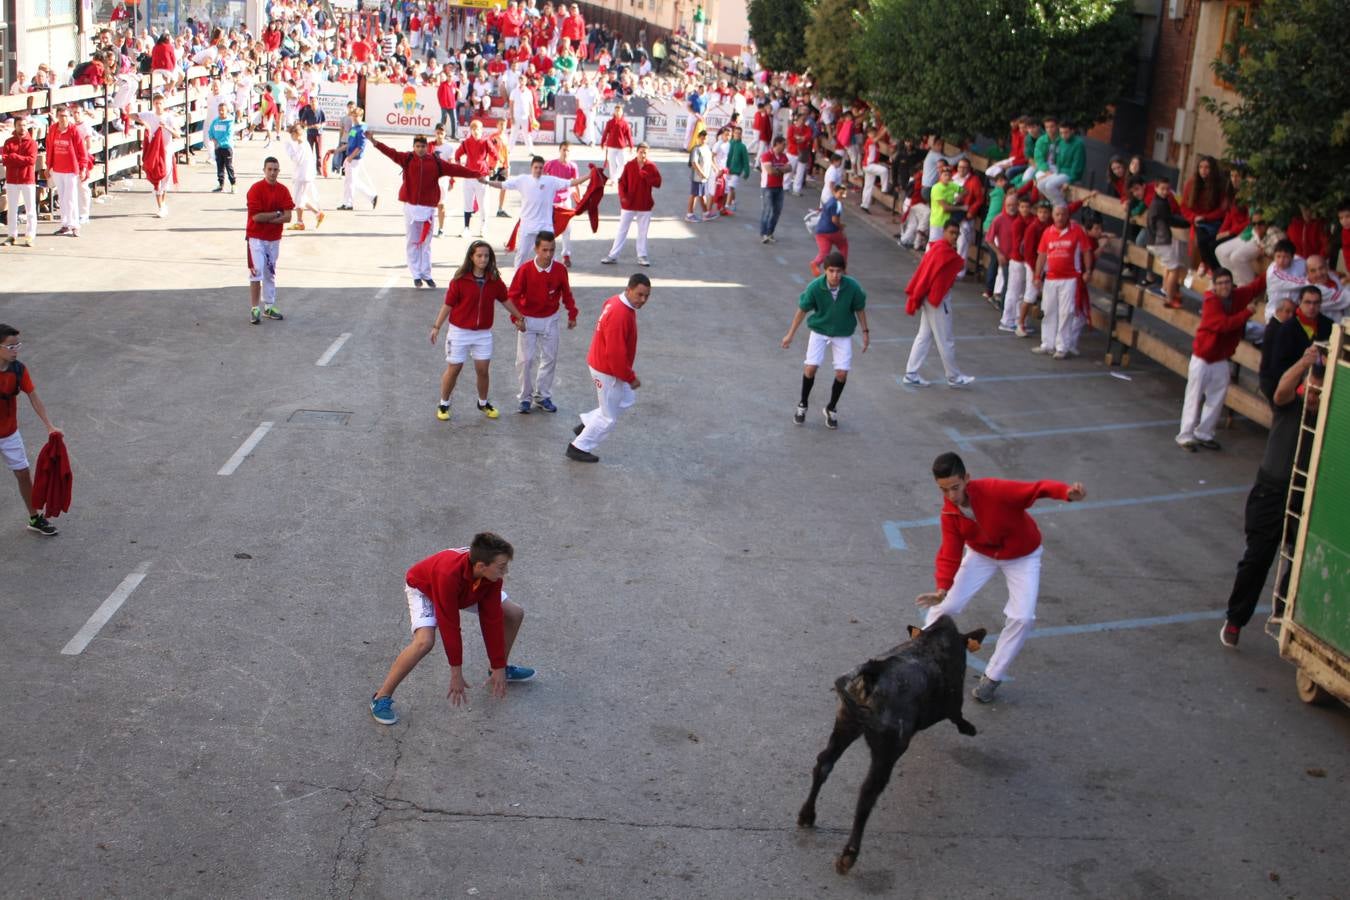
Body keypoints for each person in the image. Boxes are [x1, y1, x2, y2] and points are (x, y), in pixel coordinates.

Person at [916, 452, 1086, 702]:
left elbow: (1036, 489)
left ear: (967, 479)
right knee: (946, 605)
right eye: (944, 490)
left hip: (1022, 556)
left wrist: (1066, 493)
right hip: (982, 554)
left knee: (1023, 617)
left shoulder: (995, 490)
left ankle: (992, 677)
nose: (952, 496)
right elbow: (950, 551)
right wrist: (942, 588)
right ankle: (916, 660)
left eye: (955, 487)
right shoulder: (950, 513)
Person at [369, 532, 535, 725]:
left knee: (514, 613)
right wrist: (456, 673)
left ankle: (499, 671)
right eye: (502, 566)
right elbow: (450, 625)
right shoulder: (448, 574)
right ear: (481, 566)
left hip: (468, 589)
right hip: (427, 589)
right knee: (424, 642)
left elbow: (491, 619)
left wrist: (497, 664)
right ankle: (381, 697)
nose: (505, 571)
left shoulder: (492, 577)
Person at [1221, 345, 1325, 648]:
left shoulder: (1329, 418)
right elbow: (1281, 389)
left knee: (1303, 559)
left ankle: (1284, 612)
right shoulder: (1291, 405)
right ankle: (1235, 619)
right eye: (1313, 391)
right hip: (1272, 490)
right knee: (1257, 558)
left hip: (1304, 495)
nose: (1315, 398)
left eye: (1321, 393)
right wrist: (1304, 361)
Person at [429, 241, 526, 421]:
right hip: (459, 332)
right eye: (479, 255)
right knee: (454, 368)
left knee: (483, 370)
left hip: (483, 334)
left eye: (486, 256)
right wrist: (436, 327)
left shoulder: (494, 280)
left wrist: (519, 317)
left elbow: (506, 300)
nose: (483, 259)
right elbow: (448, 305)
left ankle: (482, 403)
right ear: (471, 258)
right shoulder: (459, 280)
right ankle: (444, 404)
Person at [370, 132, 479, 288]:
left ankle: (426, 274)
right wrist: (374, 141)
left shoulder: (436, 162)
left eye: (423, 146)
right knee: (413, 242)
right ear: (414, 147)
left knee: (426, 244)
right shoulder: (406, 159)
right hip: (411, 208)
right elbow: (390, 152)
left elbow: (456, 169)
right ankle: (416, 274)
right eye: (417, 146)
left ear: (427, 147)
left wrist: (476, 174)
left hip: (427, 209)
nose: (420, 149)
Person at [1173, 267, 1265, 452]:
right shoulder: (1210, 301)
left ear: (1232, 284)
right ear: (1214, 286)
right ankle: (1185, 436)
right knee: (1194, 397)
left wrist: (1274, 269)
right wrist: (1246, 313)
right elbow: (1222, 325)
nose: (1224, 286)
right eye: (1220, 283)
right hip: (1202, 358)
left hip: (1220, 358)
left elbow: (1256, 287)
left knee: (1217, 398)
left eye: (1227, 282)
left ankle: (1204, 434)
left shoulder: (1237, 295)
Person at [566, 273, 652, 463]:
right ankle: (578, 447)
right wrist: (630, 377)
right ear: (629, 290)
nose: (643, 300)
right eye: (639, 295)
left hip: (604, 366)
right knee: (608, 418)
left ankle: (588, 422)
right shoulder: (621, 315)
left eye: (647, 296)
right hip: (608, 372)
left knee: (627, 398)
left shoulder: (615, 302)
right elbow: (615, 355)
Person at [780, 251, 868, 430]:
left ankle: (831, 408)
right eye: (831, 271)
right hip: (819, 330)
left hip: (842, 333)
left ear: (844, 271)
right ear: (825, 271)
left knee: (842, 373)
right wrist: (790, 334)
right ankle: (803, 404)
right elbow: (802, 310)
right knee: (811, 368)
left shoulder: (852, 287)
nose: (835, 275)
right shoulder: (815, 287)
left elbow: (860, 308)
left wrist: (865, 331)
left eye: (839, 271)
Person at [0, 324, 62, 535]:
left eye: (18, 344)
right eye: (10, 346)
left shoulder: (18, 369)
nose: (16, 349)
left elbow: (33, 396)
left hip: (9, 433)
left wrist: (49, 425)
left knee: (23, 474)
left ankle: (35, 518)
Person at [508, 231, 578, 414]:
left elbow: (566, 293)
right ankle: (525, 398)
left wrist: (572, 313)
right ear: (536, 249)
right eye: (544, 250)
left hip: (550, 319)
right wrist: (516, 318)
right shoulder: (524, 270)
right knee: (525, 360)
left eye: (552, 250)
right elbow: (512, 296)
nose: (548, 254)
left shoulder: (560, 270)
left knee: (550, 358)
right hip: (527, 320)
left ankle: (543, 396)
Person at [902, 221, 976, 387]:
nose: (955, 236)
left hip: (931, 298)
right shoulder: (943, 251)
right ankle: (953, 377)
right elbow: (939, 272)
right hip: (937, 299)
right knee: (945, 339)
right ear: (944, 232)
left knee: (924, 336)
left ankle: (911, 373)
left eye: (957, 233)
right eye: (952, 232)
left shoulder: (938, 248)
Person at [496, 155, 591, 268]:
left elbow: (572, 182)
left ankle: (551, 279)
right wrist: (486, 182)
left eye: (541, 168)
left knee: (550, 255)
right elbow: (502, 185)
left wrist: (589, 176)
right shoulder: (522, 180)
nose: (538, 170)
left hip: (545, 226)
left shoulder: (551, 181)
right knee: (521, 254)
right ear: (531, 168)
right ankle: (518, 279)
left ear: (543, 169)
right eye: (536, 167)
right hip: (527, 226)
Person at [1032, 204, 1096, 359]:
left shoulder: (1077, 232)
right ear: (1053, 216)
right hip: (1051, 278)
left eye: (1063, 214)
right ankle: (1047, 344)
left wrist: (1088, 271)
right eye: (1057, 214)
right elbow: (1042, 255)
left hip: (1070, 278)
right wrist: (1037, 276)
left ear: (1068, 216)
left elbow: (1086, 251)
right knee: (1048, 310)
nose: (1060, 217)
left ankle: (1062, 346)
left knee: (1066, 312)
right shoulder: (1048, 232)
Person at [245, 156, 296, 325]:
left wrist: (270, 217)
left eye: (275, 170)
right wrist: (277, 214)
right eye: (270, 169)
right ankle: (254, 308)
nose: (273, 173)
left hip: (274, 239)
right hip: (256, 238)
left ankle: (269, 306)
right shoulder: (255, 189)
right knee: (256, 271)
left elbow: (288, 217)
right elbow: (257, 217)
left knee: (270, 272)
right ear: (264, 170)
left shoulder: (283, 191)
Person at [601, 142, 661, 267]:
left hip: (644, 205)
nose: (643, 155)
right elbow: (622, 183)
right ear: (637, 152)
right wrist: (623, 197)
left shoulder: (651, 166)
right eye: (641, 152)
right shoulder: (629, 165)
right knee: (622, 230)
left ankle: (642, 256)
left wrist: (648, 177)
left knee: (643, 232)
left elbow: (658, 183)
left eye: (645, 152)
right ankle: (613, 255)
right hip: (629, 204)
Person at [46, 106, 91, 238]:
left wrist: (83, 168)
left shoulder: (73, 130)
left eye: (65, 116)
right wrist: (48, 167)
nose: (63, 119)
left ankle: (75, 225)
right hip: (58, 169)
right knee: (61, 197)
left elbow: (82, 150)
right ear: (57, 116)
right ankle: (65, 224)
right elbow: (50, 148)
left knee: (71, 198)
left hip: (71, 169)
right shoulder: (53, 129)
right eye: (60, 116)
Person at [1144, 175, 1187, 309]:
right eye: (1162, 189)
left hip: (1155, 241)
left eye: (1167, 189)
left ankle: (1165, 289)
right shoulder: (1160, 204)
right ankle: (1169, 298)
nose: (1165, 192)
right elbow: (1171, 220)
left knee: (1169, 266)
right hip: (1160, 241)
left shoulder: (1157, 202)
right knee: (1174, 269)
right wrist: (1189, 222)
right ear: (1156, 188)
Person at [137, 94, 179, 217]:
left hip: (167, 151)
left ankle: (163, 202)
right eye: (156, 103)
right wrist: (143, 123)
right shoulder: (149, 115)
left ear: (164, 104)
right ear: (153, 104)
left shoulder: (169, 118)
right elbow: (133, 115)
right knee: (158, 177)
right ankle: (160, 206)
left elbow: (178, 134)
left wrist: (167, 127)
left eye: (161, 103)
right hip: (155, 152)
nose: (159, 106)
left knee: (165, 178)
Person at [454, 119, 496, 237]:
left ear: (481, 130)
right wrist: (459, 167)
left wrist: (492, 168)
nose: (475, 131)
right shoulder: (466, 142)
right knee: (467, 203)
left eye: (477, 129)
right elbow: (457, 155)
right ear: (470, 130)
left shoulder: (486, 142)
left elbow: (495, 155)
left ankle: (483, 226)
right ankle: (466, 228)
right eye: (473, 129)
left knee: (483, 204)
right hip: (468, 177)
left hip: (482, 177)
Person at [2, 117, 39, 247]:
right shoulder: (9, 142)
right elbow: (5, 160)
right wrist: (18, 159)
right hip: (12, 179)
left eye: (24, 125)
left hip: (27, 179)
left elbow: (31, 160)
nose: (22, 128)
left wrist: (14, 157)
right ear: (15, 126)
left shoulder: (32, 143)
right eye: (19, 125)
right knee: (12, 209)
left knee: (30, 209)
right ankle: (11, 235)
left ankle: (30, 235)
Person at [542, 141, 579, 266]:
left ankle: (566, 255)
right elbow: (541, 178)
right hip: (551, 202)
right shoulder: (551, 164)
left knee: (567, 229)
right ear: (560, 150)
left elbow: (575, 183)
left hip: (565, 201)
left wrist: (579, 200)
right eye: (564, 149)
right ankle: (547, 256)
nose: (566, 152)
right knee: (550, 229)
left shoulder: (573, 166)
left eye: (568, 150)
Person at [283, 123, 323, 230]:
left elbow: (297, 159)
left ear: (296, 134)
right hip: (305, 175)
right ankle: (318, 213)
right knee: (302, 198)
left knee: (298, 200)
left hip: (302, 176)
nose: (291, 137)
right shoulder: (304, 144)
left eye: (292, 134)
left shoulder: (301, 145)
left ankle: (300, 222)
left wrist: (290, 150)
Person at [338, 107, 378, 211]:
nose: (354, 118)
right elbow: (349, 143)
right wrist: (337, 150)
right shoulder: (353, 128)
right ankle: (371, 197)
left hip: (354, 158)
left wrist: (350, 157)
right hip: (350, 157)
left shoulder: (361, 129)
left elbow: (361, 146)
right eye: (353, 115)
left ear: (361, 116)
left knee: (350, 182)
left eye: (356, 116)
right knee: (350, 181)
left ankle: (349, 204)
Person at [810, 183, 849, 276]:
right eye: (840, 193)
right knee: (844, 245)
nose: (843, 195)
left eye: (844, 193)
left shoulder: (830, 201)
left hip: (820, 231)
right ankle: (842, 267)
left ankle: (816, 263)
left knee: (825, 251)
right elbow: (835, 220)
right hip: (832, 230)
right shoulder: (836, 204)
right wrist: (841, 227)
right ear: (834, 192)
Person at [758, 135, 789, 244]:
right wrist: (782, 169)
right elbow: (770, 171)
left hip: (779, 187)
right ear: (777, 144)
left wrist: (777, 169)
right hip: (767, 187)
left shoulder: (784, 156)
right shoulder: (767, 155)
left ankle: (770, 232)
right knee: (767, 210)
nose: (785, 146)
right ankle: (763, 233)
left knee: (777, 211)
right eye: (783, 144)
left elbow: (789, 168)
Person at [686, 127, 716, 222]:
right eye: (702, 138)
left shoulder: (707, 148)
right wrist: (701, 173)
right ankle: (689, 214)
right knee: (694, 195)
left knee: (702, 195)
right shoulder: (696, 149)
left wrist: (716, 169)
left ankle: (706, 213)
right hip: (697, 178)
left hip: (704, 178)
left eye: (705, 138)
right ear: (698, 138)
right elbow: (694, 163)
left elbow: (710, 160)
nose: (703, 140)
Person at [207, 104, 237, 194]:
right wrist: (213, 139)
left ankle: (233, 184)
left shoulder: (230, 122)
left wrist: (219, 143)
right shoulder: (215, 121)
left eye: (223, 110)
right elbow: (210, 131)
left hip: (227, 148)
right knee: (220, 166)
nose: (221, 112)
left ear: (226, 111)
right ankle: (221, 185)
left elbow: (228, 135)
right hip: (218, 148)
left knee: (228, 166)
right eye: (219, 110)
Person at [725, 125, 751, 213]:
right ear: (733, 134)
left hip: (736, 172)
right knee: (730, 188)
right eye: (736, 133)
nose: (737, 135)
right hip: (727, 170)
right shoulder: (729, 144)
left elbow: (746, 161)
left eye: (739, 134)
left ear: (741, 135)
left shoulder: (743, 147)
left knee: (731, 188)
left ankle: (726, 206)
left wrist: (747, 172)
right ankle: (733, 201)